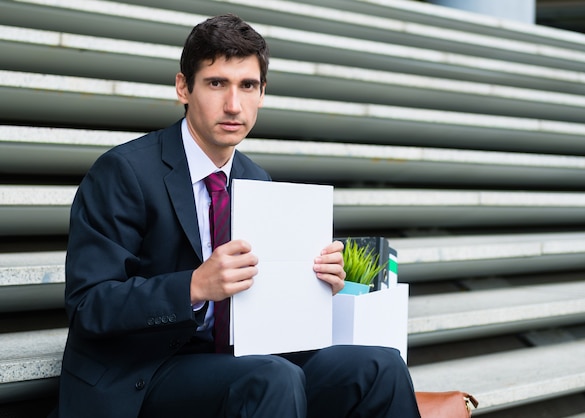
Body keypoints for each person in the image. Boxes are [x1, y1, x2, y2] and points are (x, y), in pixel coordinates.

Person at [51, 14, 420, 418]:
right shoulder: (124, 172)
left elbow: (265, 313)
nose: (233, 105)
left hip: (237, 361)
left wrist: (314, 288)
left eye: (247, 86)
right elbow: (89, 306)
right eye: (216, 83)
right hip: (141, 374)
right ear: (183, 88)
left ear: (262, 94)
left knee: (380, 367)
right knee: (270, 378)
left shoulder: (255, 179)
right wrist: (193, 286)